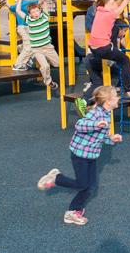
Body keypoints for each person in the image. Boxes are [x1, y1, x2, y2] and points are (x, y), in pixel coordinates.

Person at [37, 86, 122, 226]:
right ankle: (56, 178)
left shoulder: (107, 113)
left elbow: (100, 136)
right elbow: (80, 125)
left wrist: (111, 139)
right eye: (116, 96)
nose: (118, 98)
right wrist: (95, 124)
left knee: (91, 187)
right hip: (80, 154)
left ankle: (73, 211)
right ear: (108, 101)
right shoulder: (96, 114)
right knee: (82, 184)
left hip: (91, 155)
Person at [88, 0, 130, 97]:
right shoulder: (112, 14)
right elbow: (126, 0)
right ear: (112, 3)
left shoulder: (99, 9)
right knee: (125, 60)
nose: (117, 6)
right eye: (117, 4)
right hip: (103, 48)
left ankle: (111, 59)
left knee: (113, 30)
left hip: (92, 47)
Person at [23, 0, 61, 90]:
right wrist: (20, 0)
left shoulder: (44, 17)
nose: (36, 13)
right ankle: (48, 81)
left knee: (58, 64)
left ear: (40, 10)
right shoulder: (29, 20)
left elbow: (45, 7)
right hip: (37, 49)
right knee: (45, 66)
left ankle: (33, 59)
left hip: (48, 47)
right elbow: (18, 11)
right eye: (33, 12)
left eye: (37, 11)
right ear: (30, 14)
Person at [11, 0, 41, 71]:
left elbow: (11, 7)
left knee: (28, 45)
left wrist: (18, 0)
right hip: (26, 27)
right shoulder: (31, 3)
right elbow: (41, 2)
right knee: (29, 46)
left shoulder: (19, 4)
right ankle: (18, 64)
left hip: (20, 27)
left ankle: (25, 61)